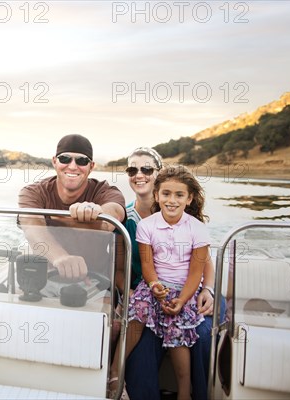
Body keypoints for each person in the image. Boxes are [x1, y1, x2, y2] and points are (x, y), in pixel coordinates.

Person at [114, 148, 216, 400]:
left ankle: (195, 393)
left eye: (147, 169)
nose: (139, 175)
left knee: (199, 335)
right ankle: (117, 376)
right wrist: (138, 291)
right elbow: (125, 267)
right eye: (132, 170)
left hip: (187, 289)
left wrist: (207, 289)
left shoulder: (191, 222)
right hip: (149, 291)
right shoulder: (126, 219)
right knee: (139, 337)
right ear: (159, 194)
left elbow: (202, 265)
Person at [18, 134, 126, 280]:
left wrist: (95, 211)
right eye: (65, 159)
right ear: (54, 162)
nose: (73, 166)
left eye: (82, 160)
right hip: (46, 279)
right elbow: (32, 226)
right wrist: (60, 257)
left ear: (91, 166)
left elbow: (113, 215)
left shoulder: (105, 192)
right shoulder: (33, 192)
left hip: (97, 281)